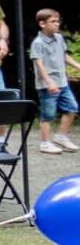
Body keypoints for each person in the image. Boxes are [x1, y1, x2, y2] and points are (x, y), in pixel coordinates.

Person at [29, 8, 80, 153]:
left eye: (58, 21)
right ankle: (45, 143)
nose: (57, 24)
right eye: (53, 22)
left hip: (62, 83)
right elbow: (39, 64)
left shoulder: (59, 38)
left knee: (72, 107)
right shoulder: (38, 43)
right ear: (42, 24)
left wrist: (77, 65)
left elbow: (64, 56)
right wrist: (49, 81)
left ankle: (61, 137)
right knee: (48, 114)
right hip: (47, 85)